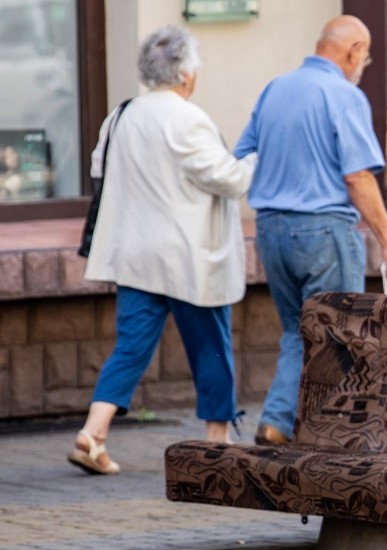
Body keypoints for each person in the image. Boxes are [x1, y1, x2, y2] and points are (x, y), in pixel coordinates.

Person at [67, 25, 256, 475]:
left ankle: (93, 433)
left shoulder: (122, 114)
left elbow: (100, 168)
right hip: (187, 257)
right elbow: (228, 179)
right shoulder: (186, 118)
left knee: (131, 346)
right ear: (186, 72)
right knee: (211, 344)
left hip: (135, 255)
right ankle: (216, 438)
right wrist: (254, 159)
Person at [234, 15, 387, 446]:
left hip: (271, 231)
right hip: (324, 232)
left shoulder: (276, 89)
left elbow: (241, 158)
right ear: (353, 51)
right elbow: (358, 178)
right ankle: (335, 435)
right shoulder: (344, 95)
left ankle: (277, 420)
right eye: (364, 58)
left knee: (298, 330)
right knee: (339, 332)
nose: (361, 65)